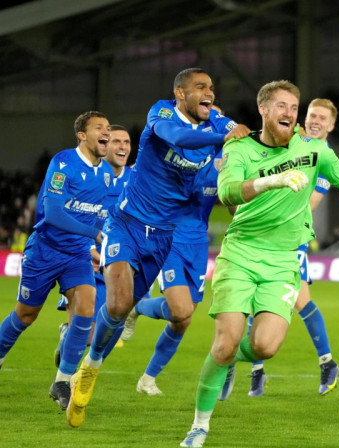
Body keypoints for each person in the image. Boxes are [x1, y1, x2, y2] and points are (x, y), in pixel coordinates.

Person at [179, 80, 339, 448]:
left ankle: (225, 362)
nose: (290, 113)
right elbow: (227, 192)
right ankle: (199, 426)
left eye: (294, 107)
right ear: (264, 110)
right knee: (226, 342)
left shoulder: (313, 149)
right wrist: (272, 180)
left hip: (284, 259)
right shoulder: (239, 147)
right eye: (282, 106)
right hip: (241, 253)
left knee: (265, 347)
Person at [66, 68, 250, 428]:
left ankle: (115, 360)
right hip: (127, 222)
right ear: (181, 94)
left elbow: (249, 151)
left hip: (164, 236)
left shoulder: (216, 125)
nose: (208, 92)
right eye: (200, 87)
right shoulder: (162, 113)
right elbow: (175, 136)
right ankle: (90, 367)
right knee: (117, 302)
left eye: (212, 87)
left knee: (140, 310)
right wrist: (222, 134)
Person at [0, 111, 112, 411]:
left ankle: (62, 381)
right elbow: (54, 213)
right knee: (25, 315)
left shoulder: (106, 174)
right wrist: (95, 233)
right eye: (99, 127)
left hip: (77, 256)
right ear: (82, 135)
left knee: (86, 308)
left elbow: (109, 215)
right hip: (45, 251)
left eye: (109, 128)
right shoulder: (64, 163)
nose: (107, 132)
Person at [237, 98, 339, 398]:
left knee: (299, 301)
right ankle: (259, 373)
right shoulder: (292, 141)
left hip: (291, 238)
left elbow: (310, 204)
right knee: (257, 301)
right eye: (312, 115)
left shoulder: (324, 159)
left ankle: (325, 364)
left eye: (323, 118)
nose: (315, 121)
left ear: (331, 126)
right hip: (264, 235)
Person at [120, 147, 223, 396]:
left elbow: (232, 204)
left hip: (198, 246)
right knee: (179, 310)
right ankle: (136, 308)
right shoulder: (178, 156)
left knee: (183, 320)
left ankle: (148, 379)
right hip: (169, 240)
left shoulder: (225, 164)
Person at [54, 125, 133, 367]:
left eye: (127, 142)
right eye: (116, 141)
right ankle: (65, 378)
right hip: (85, 256)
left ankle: (70, 344)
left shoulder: (135, 178)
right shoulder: (90, 177)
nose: (122, 147)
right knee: (83, 334)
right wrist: (88, 248)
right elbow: (73, 214)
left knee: (95, 337)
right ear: (104, 146)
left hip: (116, 259)